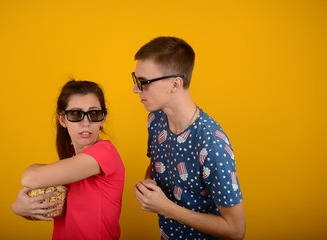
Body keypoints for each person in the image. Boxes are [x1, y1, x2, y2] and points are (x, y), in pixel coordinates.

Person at [132, 37, 245, 240]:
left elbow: (236, 230)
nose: (135, 89)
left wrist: (165, 207)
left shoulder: (212, 143)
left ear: (175, 84)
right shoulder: (155, 119)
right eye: (136, 80)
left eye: (144, 83)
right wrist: (148, 185)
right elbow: (156, 165)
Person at [12, 80, 125, 240]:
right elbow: (49, 212)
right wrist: (21, 209)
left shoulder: (104, 154)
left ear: (103, 118)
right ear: (62, 119)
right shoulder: (71, 157)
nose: (86, 123)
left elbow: (30, 178)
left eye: (94, 114)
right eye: (75, 114)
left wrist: (16, 206)